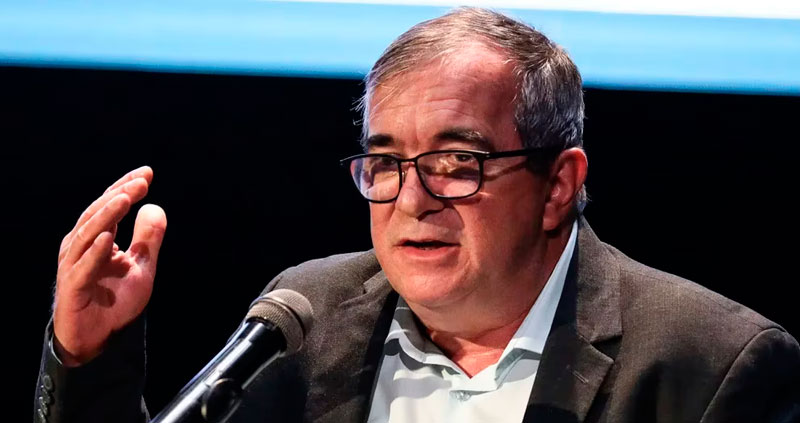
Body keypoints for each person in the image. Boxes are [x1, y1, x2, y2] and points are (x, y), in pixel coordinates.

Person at [34, 7, 799, 423]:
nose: (411, 199)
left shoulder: (709, 363)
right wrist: (87, 354)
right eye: (386, 162)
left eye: (457, 163)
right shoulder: (308, 320)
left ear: (558, 184)